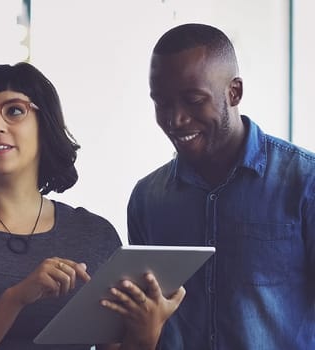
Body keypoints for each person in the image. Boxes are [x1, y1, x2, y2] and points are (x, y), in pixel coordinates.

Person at [0, 62, 185, 350]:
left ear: (44, 124)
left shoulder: (95, 235)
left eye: (14, 110)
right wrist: (16, 298)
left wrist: (147, 331)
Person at [127, 23, 315, 349]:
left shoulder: (304, 183)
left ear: (234, 92)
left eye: (193, 100)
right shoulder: (147, 199)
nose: (175, 119)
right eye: (162, 103)